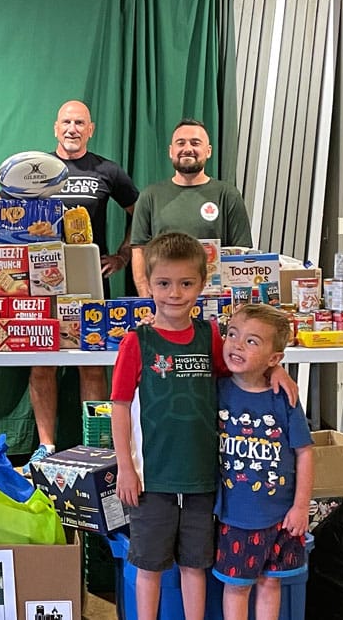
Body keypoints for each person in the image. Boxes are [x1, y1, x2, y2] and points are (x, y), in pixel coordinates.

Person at [109, 232, 297, 620]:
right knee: (149, 565)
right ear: (148, 284)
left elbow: (243, 366)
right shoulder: (136, 342)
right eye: (163, 283)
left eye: (186, 283)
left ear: (202, 283)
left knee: (195, 564)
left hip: (204, 480)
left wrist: (278, 368)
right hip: (151, 479)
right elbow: (120, 407)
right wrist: (125, 467)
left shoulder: (210, 336)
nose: (174, 293)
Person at [22, 100, 140, 470]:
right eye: (66, 122)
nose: (72, 129)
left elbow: (140, 215)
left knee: (91, 366)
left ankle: (98, 445)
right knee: (42, 363)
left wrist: (121, 256)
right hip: (40, 282)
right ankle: (46, 446)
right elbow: (5, 211)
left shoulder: (108, 170)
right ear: (55, 128)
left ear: (90, 129)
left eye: (80, 123)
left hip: (90, 281)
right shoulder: (33, 169)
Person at [214, 303, 313, 620]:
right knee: (236, 586)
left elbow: (305, 453)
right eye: (232, 334)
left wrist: (300, 507)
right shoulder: (216, 390)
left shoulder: (285, 398)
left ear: (274, 359)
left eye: (252, 341)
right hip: (234, 516)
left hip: (281, 517)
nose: (237, 344)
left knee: (271, 584)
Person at [131, 118, 252, 297]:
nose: (187, 148)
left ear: (208, 151)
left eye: (195, 143)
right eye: (181, 143)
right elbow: (139, 250)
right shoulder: (150, 195)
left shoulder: (228, 194)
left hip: (215, 298)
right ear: (171, 151)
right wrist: (145, 295)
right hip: (166, 299)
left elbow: (242, 253)